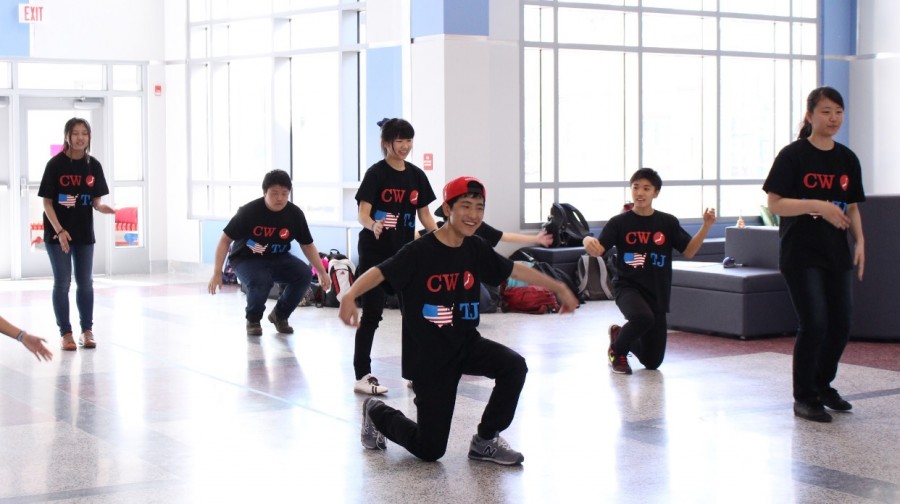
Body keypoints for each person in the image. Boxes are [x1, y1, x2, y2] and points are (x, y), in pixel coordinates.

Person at [339, 176, 578, 465]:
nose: (474, 215)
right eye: (466, 206)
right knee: (430, 449)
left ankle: (486, 440)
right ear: (447, 209)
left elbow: (513, 268)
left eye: (479, 207)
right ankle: (377, 412)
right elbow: (380, 271)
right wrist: (350, 295)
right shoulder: (419, 251)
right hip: (429, 358)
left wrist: (558, 286)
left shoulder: (474, 248)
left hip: (466, 343)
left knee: (513, 366)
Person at [763, 86, 865, 423]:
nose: (833, 118)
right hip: (801, 253)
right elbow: (775, 203)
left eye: (838, 111)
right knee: (815, 323)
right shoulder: (793, 155)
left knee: (841, 325)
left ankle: (823, 385)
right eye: (825, 111)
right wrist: (817, 204)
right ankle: (804, 397)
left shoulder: (847, 158)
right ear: (810, 116)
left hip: (836, 252)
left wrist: (860, 241)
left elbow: (850, 206)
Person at [584, 168, 716, 374]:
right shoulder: (619, 222)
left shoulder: (667, 222)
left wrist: (706, 226)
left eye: (646, 188)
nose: (640, 193)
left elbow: (689, 251)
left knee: (652, 362)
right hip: (628, 286)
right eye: (636, 187)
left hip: (657, 291)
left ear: (656, 193)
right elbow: (599, 249)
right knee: (643, 318)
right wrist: (587, 240)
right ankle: (616, 353)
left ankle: (620, 335)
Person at [352, 118, 438, 395]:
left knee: (414, 314)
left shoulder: (416, 175)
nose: (405, 146)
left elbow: (424, 214)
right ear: (386, 143)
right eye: (399, 141)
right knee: (372, 315)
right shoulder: (376, 174)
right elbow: (363, 213)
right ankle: (362, 375)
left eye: (409, 140)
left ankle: (415, 372)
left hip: (405, 254)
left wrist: (439, 239)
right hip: (375, 253)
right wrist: (373, 224)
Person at [208, 169, 330, 336]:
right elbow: (225, 240)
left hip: (279, 258)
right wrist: (217, 272)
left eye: (284, 193)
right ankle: (253, 320)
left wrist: (322, 272)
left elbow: (307, 245)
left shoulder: (295, 214)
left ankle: (280, 315)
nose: (279, 198)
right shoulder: (248, 211)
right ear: (265, 192)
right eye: (274, 193)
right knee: (261, 280)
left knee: (303, 274)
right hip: (246, 259)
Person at [38, 118, 116, 351]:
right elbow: (47, 203)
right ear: (67, 137)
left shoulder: (94, 166)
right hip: (57, 233)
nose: (80, 137)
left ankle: (87, 331)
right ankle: (66, 333)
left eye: (85, 133)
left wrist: (102, 207)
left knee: (86, 283)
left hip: (83, 233)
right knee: (62, 283)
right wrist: (60, 231)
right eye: (75, 133)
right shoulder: (55, 165)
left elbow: (95, 201)